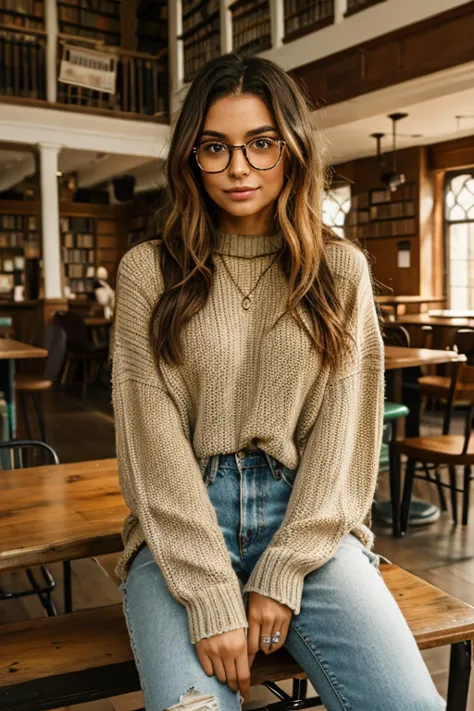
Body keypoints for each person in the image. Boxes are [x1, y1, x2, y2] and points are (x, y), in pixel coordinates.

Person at [111, 53, 445, 711]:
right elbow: (151, 447)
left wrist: (285, 568)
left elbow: (347, 439)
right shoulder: (147, 273)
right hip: (179, 528)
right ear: (190, 158)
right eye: (216, 147)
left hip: (308, 522)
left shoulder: (340, 270)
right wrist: (208, 594)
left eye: (261, 143)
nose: (239, 167)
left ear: (290, 150)